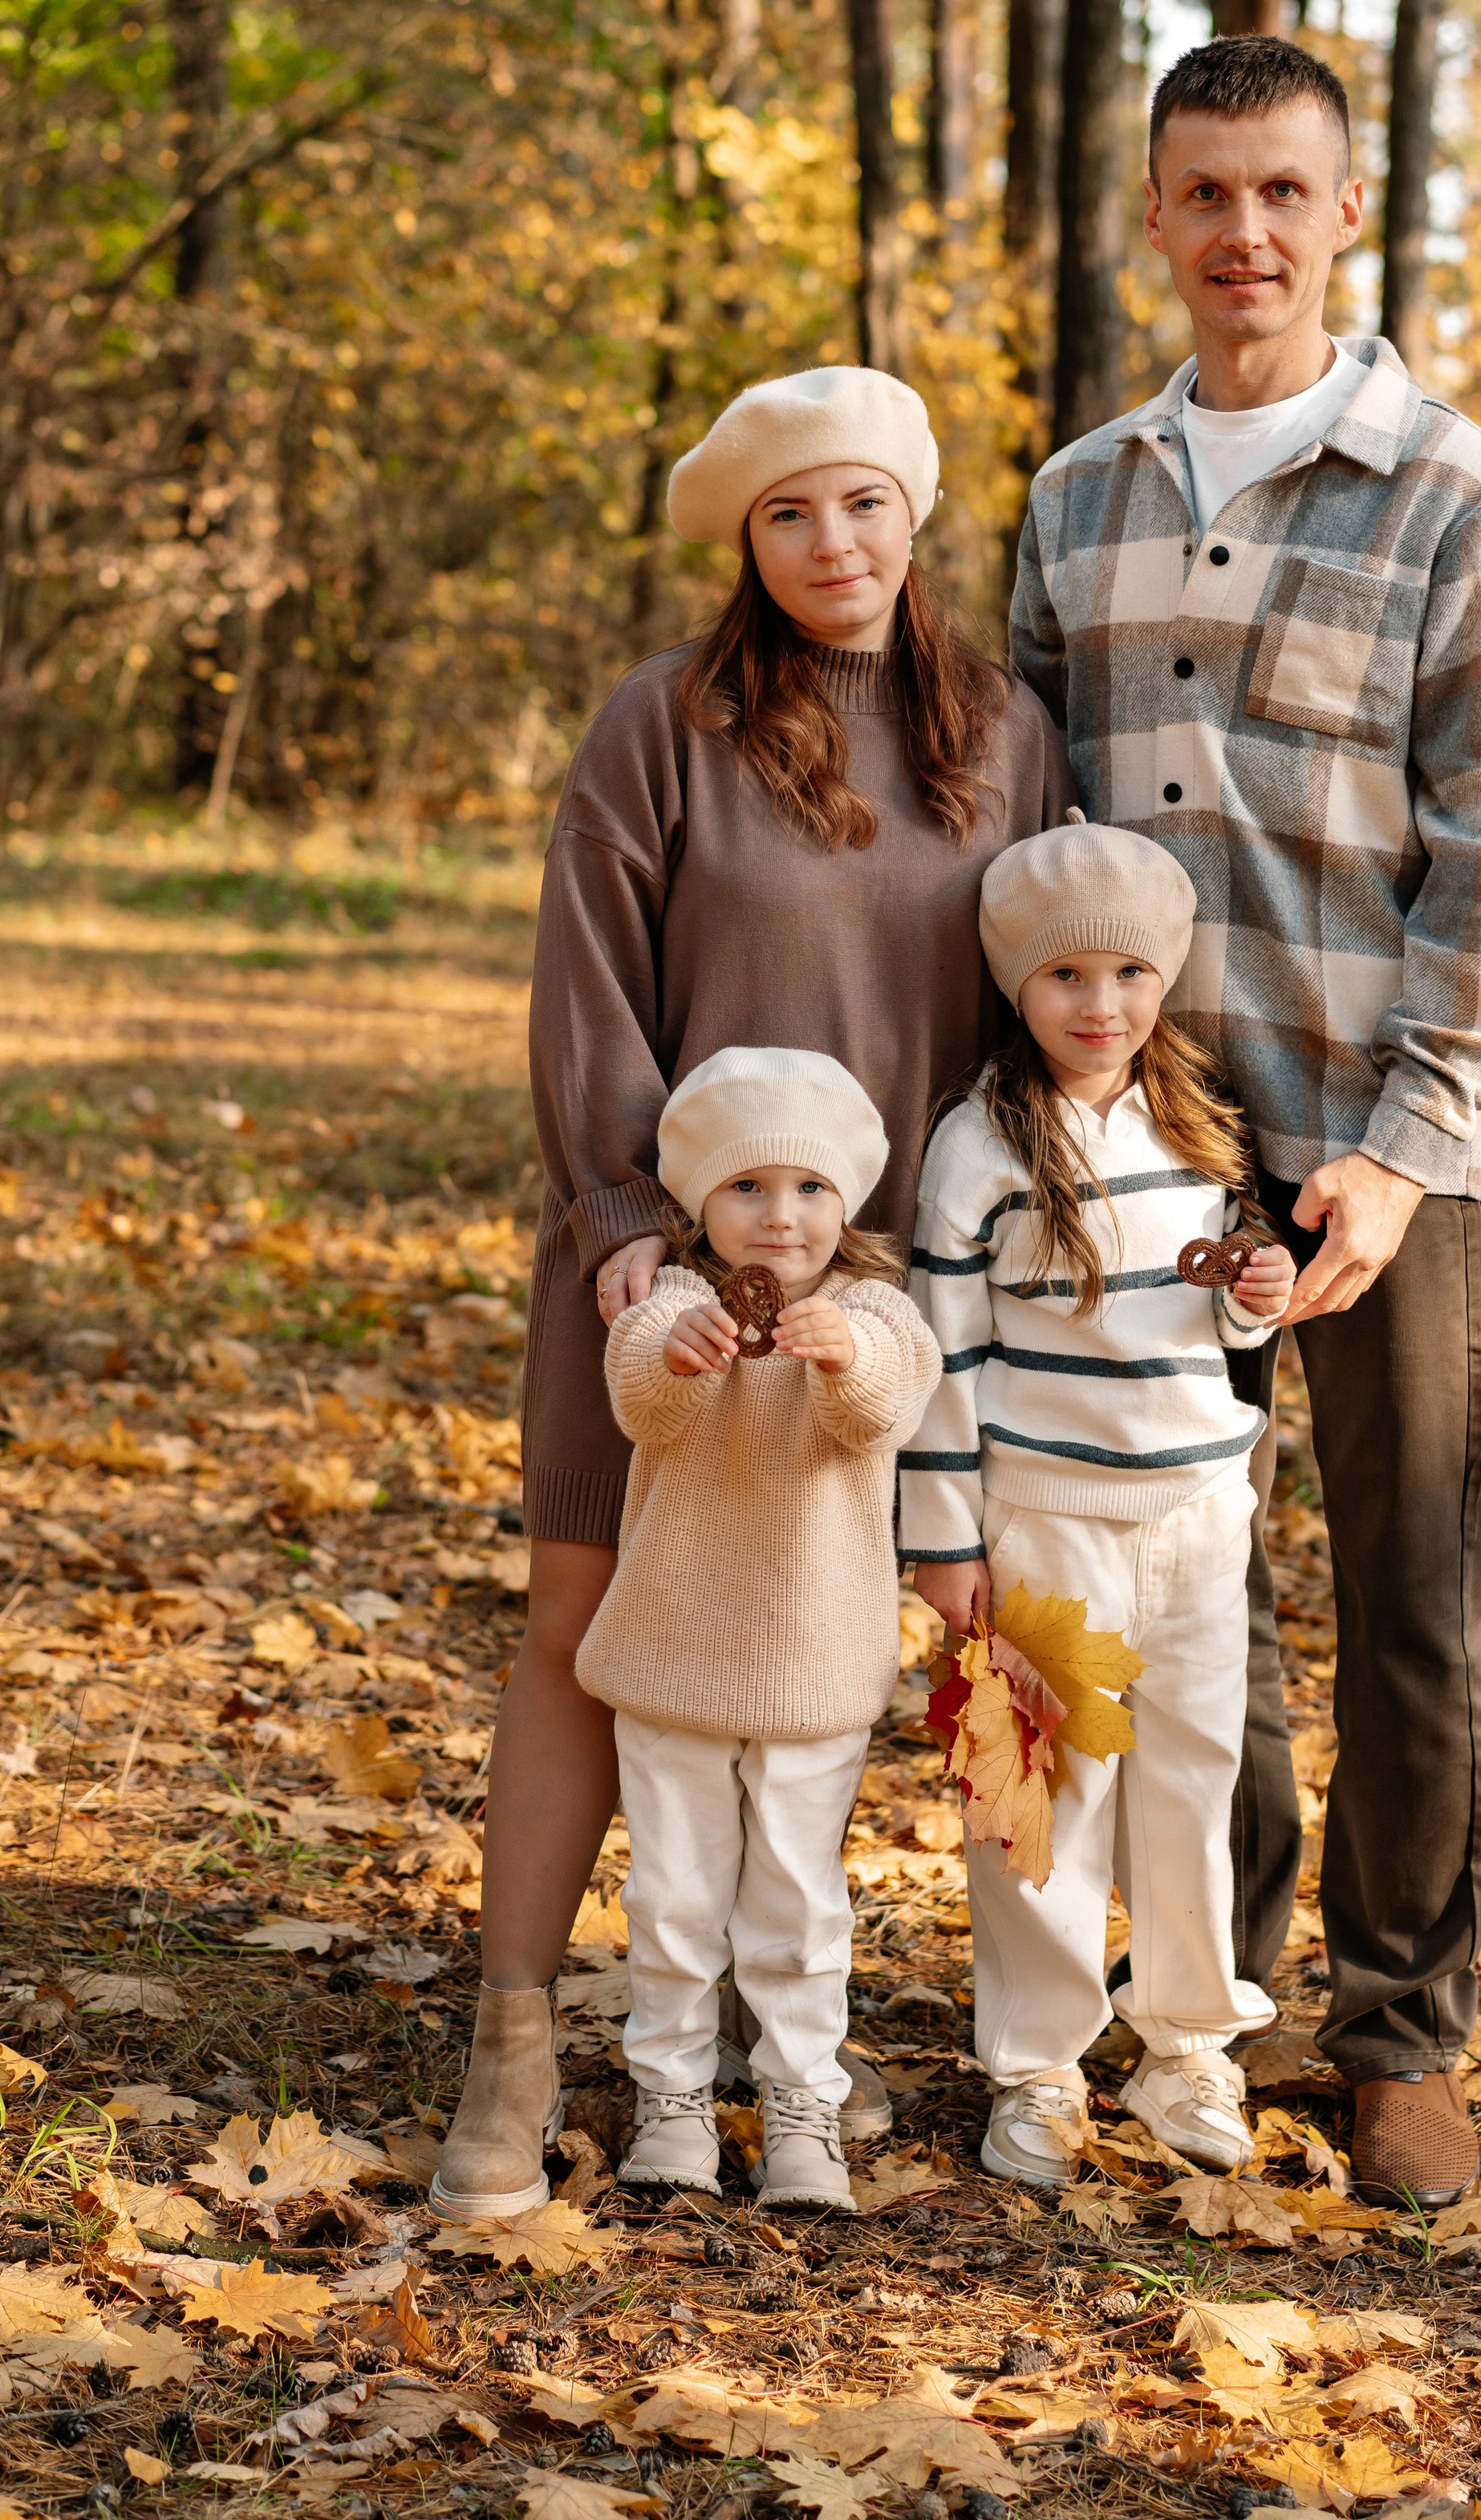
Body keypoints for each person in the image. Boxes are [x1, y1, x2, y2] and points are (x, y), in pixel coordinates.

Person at [430, 363, 1072, 2222]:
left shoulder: (1007, 735)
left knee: (864, 1634)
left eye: (861, 501)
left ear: (914, 512)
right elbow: (584, 988)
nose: (829, 542)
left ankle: (886, 2048)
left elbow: (1045, 995)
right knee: (582, 1607)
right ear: (747, 539)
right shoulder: (664, 724)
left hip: (889, 1290)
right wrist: (627, 1215)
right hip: (656, 1255)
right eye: (787, 512)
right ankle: (516, 2036)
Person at [1010, 33, 1481, 2210]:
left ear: (1347, 215)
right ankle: (1205, 1990)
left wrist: (1408, 1143)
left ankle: (1402, 2024)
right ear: (1157, 216)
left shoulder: (1451, 487)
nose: (1243, 229)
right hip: (1145, 1147)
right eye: (1203, 190)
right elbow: (1032, 842)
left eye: (1282, 192)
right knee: (1169, 1566)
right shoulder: (1077, 500)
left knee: (1406, 1588)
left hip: (1376, 1148)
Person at [902, 819, 1296, 2189]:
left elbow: (1227, 1288)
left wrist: (1259, 1286)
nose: (1101, 1004)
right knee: (1042, 1800)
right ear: (1019, 984)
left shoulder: (1198, 1123)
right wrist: (945, 1538)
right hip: (1047, 1520)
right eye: (1067, 974)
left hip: (1196, 1510)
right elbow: (944, 1362)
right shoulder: (980, 1149)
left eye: (1131, 971)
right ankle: (1038, 2065)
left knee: (1192, 1781)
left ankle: (1190, 2039)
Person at [576, 1047, 940, 2212]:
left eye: (809, 1189)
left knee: (796, 1903)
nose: (779, 1218)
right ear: (699, 1204)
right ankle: (672, 2100)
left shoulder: (874, 1309)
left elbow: (888, 1397)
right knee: (675, 1900)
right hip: (676, 1660)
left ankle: (800, 2106)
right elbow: (641, 1393)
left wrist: (847, 1356)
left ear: (850, 1202)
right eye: (747, 1189)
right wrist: (680, 1360)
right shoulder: (678, 1304)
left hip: (813, 1666)